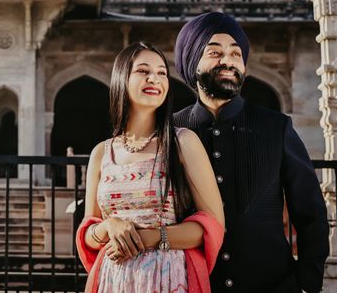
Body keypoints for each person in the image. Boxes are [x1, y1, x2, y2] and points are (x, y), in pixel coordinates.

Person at [172, 12, 329, 292]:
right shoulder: (172, 130)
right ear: (191, 61)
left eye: (236, 54)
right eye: (214, 52)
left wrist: (307, 282)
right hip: (191, 284)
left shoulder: (275, 127)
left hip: (273, 285)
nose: (228, 61)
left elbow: (310, 212)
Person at [76, 42, 225, 293]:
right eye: (143, 71)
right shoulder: (102, 153)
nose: (154, 79)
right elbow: (88, 233)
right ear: (122, 78)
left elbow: (211, 226)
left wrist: (152, 237)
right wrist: (108, 226)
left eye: (162, 73)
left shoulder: (182, 143)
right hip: (115, 280)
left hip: (167, 278)